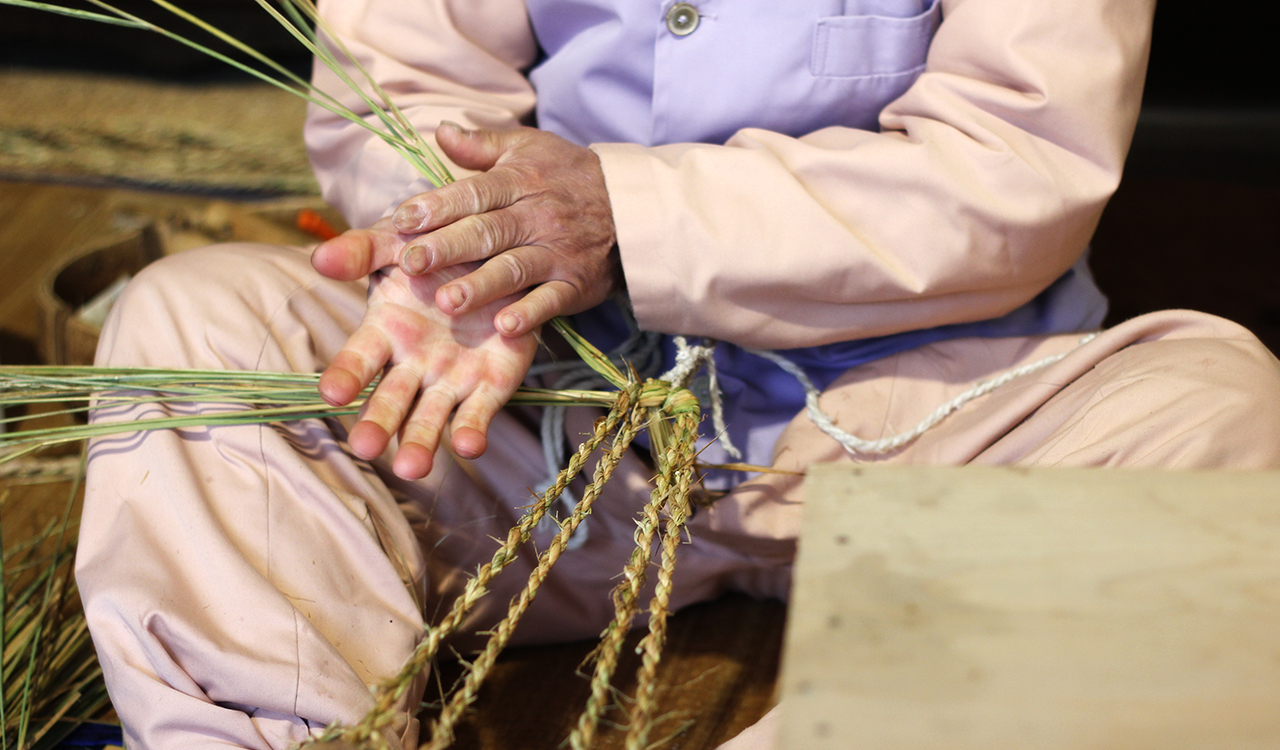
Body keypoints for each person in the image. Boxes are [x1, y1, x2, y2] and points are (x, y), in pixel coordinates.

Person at [76, 0, 1280, 748]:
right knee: (194, 327)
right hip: (552, 426)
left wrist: (623, 217)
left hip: (932, 431)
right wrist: (465, 251)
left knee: (1220, 422)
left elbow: (1018, 168)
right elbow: (399, 93)